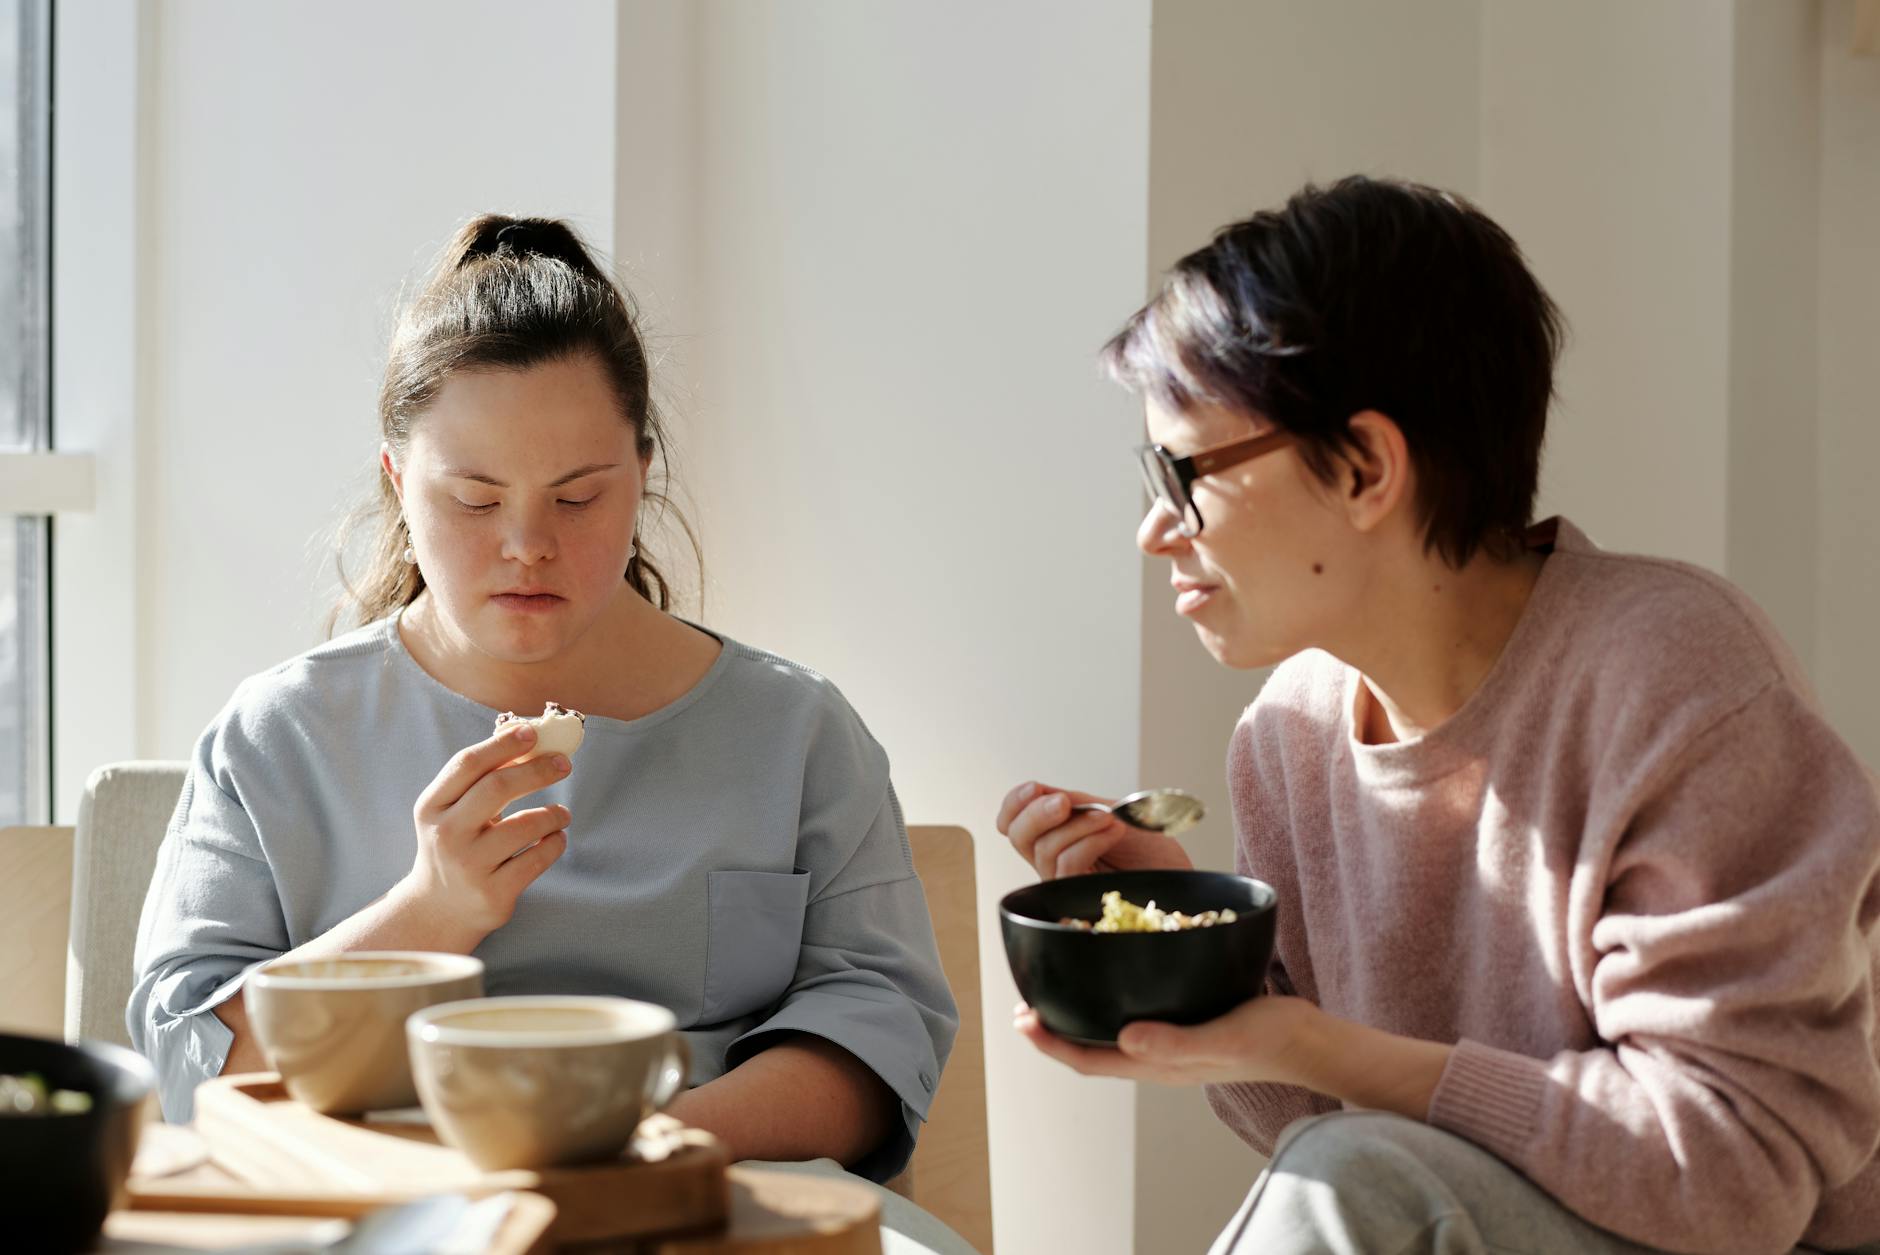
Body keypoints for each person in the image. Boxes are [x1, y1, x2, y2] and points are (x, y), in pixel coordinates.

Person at [997, 176, 1880, 1254]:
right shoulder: (1287, 735)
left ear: (1365, 466)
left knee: (1350, 1178)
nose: (1154, 529)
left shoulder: (1672, 678)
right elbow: (1342, 1137)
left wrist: (1320, 1046)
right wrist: (1197, 957)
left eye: (1183, 473)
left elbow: (1735, 1174)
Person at [129, 215, 956, 1185]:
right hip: (382, 1206)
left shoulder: (797, 732)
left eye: (577, 497)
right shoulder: (277, 737)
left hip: (708, 1194)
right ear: (397, 482)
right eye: (474, 499)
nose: (527, 544)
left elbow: (881, 1030)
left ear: (642, 475)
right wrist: (428, 912)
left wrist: (656, 1144)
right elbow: (187, 1058)